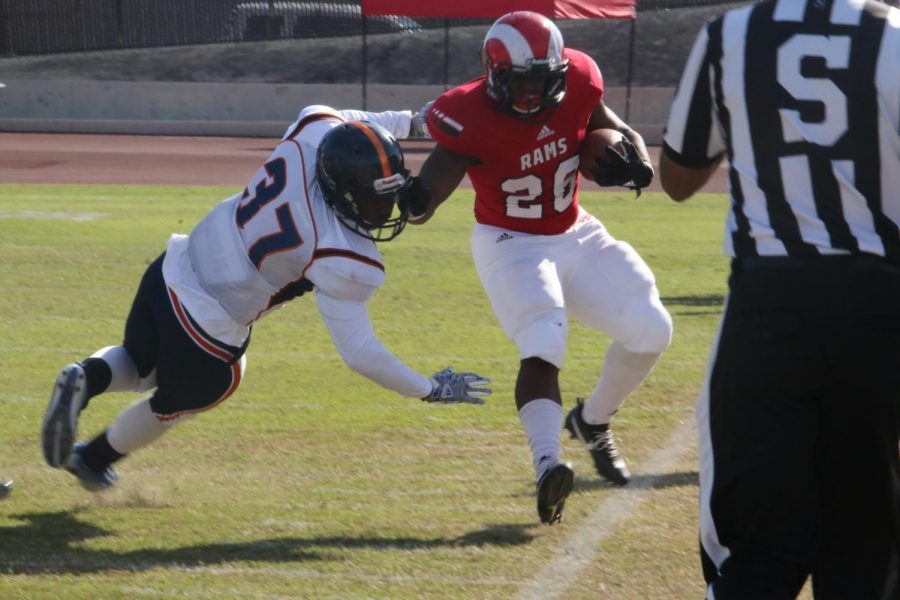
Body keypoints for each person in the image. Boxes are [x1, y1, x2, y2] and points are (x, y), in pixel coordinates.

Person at [41, 105, 491, 491]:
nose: (384, 212)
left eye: (389, 195)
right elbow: (361, 354)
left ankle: (85, 376)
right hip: (210, 321)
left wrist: (414, 121)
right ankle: (94, 459)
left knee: (139, 364)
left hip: (175, 263)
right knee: (205, 386)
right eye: (371, 201)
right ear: (338, 190)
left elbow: (351, 121)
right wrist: (430, 388)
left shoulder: (315, 131)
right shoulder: (342, 254)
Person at [659, 0, 900, 596]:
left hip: (769, 304)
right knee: (869, 543)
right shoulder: (894, 35)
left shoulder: (728, 35)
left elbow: (679, 176)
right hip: (879, 304)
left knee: (760, 545)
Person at [407, 11, 673, 524]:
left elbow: (619, 132)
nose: (530, 93)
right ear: (493, 75)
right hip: (511, 241)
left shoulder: (579, 80)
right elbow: (423, 205)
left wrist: (636, 161)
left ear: (558, 72)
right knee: (543, 339)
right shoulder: (468, 113)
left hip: (575, 229)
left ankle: (592, 421)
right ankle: (548, 463)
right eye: (519, 80)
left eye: (540, 79)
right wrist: (409, 198)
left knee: (652, 329)